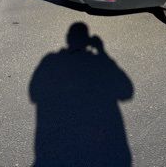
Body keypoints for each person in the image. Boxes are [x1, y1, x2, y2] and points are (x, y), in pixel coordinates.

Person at [29, 23, 134, 167]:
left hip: (55, 145)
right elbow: (126, 91)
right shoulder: (99, 62)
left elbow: (34, 93)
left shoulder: (50, 61)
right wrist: (103, 53)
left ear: (67, 38)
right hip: (100, 143)